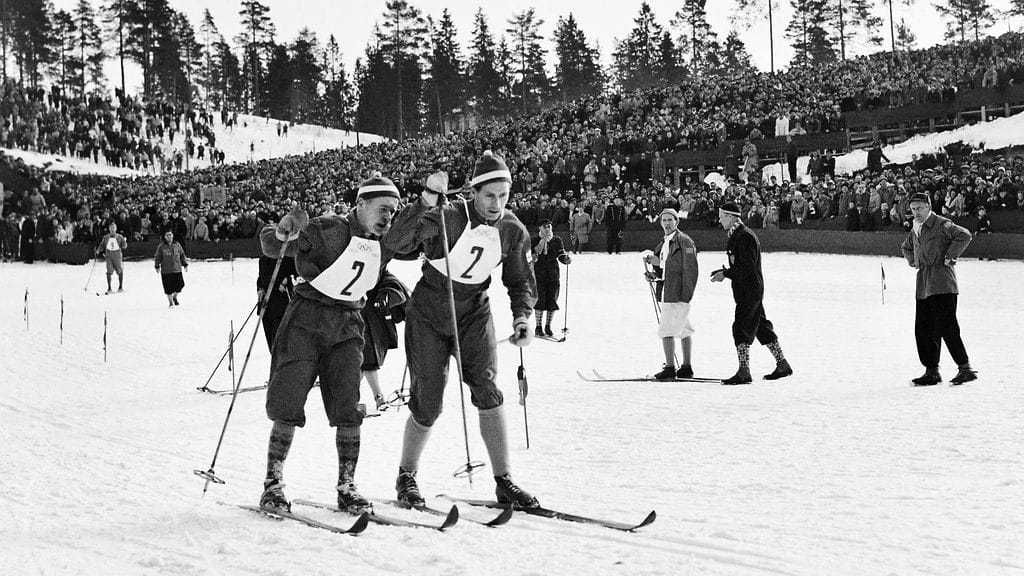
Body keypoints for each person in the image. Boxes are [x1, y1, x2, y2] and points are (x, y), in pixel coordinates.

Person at [382, 151, 539, 509]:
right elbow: (397, 242)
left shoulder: (512, 229)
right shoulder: (449, 215)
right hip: (430, 310)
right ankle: (406, 475)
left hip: (474, 310)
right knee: (429, 402)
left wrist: (522, 317)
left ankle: (504, 480)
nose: (497, 204)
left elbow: (520, 282)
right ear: (473, 192)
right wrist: (426, 199)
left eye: (503, 195)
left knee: (486, 387)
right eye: (489, 196)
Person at [256, 173, 401, 514]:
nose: (387, 217)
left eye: (393, 212)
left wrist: (393, 289)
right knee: (288, 399)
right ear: (361, 204)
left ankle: (347, 486)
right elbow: (271, 243)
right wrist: (283, 229)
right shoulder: (329, 228)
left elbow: (378, 270)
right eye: (382, 209)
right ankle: (272, 485)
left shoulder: (384, 241)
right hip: (307, 319)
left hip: (349, 324)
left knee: (348, 407)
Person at [711, 202, 793, 385]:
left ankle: (744, 371)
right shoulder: (737, 235)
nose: (719, 219)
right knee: (761, 326)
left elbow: (747, 267)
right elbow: (741, 265)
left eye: (722, 216)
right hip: (747, 287)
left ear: (731, 217)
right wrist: (726, 271)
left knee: (741, 326)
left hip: (749, 288)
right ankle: (782, 364)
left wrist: (726, 274)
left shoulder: (744, 236)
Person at [900, 193, 976, 386]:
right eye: (913, 208)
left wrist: (951, 256)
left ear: (929, 206)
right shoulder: (916, 228)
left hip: (942, 282)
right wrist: (913, 260)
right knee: (924, 329)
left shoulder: (942, 224)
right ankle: (932, 370)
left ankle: (965, 368)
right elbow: (906, 247)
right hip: (924, 284)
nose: (916, 212)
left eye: (920, 208)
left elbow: (964, 235)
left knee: (947, 326)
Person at [643, 209, 698, 380]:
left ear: (676, 222)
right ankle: (686, 367)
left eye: (670, 220)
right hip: (668, 290)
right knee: (684, 329)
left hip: (676, 293)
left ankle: (669, 367)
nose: (667, 223)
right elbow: (665, 271)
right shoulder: (664, 243)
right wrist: (655, 274)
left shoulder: (684, 241)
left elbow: (690, 269)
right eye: (664, 220)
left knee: (666, 329)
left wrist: (686, 293)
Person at [361, 271, 410, 411]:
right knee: (367, 360)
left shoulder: (381, 268)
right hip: (362, 312)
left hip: (372, 313)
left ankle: (347, 398)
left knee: (365, 360)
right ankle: (376, 398)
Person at [531, 219, 571, 337]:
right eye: (545, 227)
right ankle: (538, 327)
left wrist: (566, 259)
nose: (547, 229)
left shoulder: (556, 240)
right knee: (540, 300)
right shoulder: (534, 241)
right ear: (540, 228)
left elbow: (561, 254)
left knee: (552, 300)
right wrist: (532, 258)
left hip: (553, 274)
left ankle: (548, 326)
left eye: (549, 226)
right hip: (538, 275)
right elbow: (527, 256)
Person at [256, 253, 297, 350]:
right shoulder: (263, 259)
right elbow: (260, 278)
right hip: (266, 307)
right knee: (271, 342)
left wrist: (287, 280)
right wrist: (260, 288)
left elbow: (297, 274)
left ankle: (281, 362)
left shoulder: (287, 258)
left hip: (282, 306)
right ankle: (275, 362)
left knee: (279, 342)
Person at [154, 230, 188, 307]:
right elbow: (158, 257)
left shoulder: (177, 244)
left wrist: (185, 264)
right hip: (166, 270)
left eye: (170, 235)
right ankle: (170, 302)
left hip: (177, 269)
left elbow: (182, 255)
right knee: (168, 288)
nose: (169, 237)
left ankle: (175, 297)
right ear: (165, 237)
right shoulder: (161, 246)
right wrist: (157, 266)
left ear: (173, 236)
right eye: (167, 235)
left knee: (180, 285)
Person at [98, 222, 127, 294]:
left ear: (116, 229)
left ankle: (120, 287)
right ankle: (109, 288)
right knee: (109, 271)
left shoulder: (120, 237)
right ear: (109, 229)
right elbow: (102, 245)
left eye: (114, 228)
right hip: (109, 255)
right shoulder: (105, 237)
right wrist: (98, 250)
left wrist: (124, 242)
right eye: (111, 228)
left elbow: (124, 246)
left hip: (117, 256)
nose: (112, 229)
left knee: (119, 270)